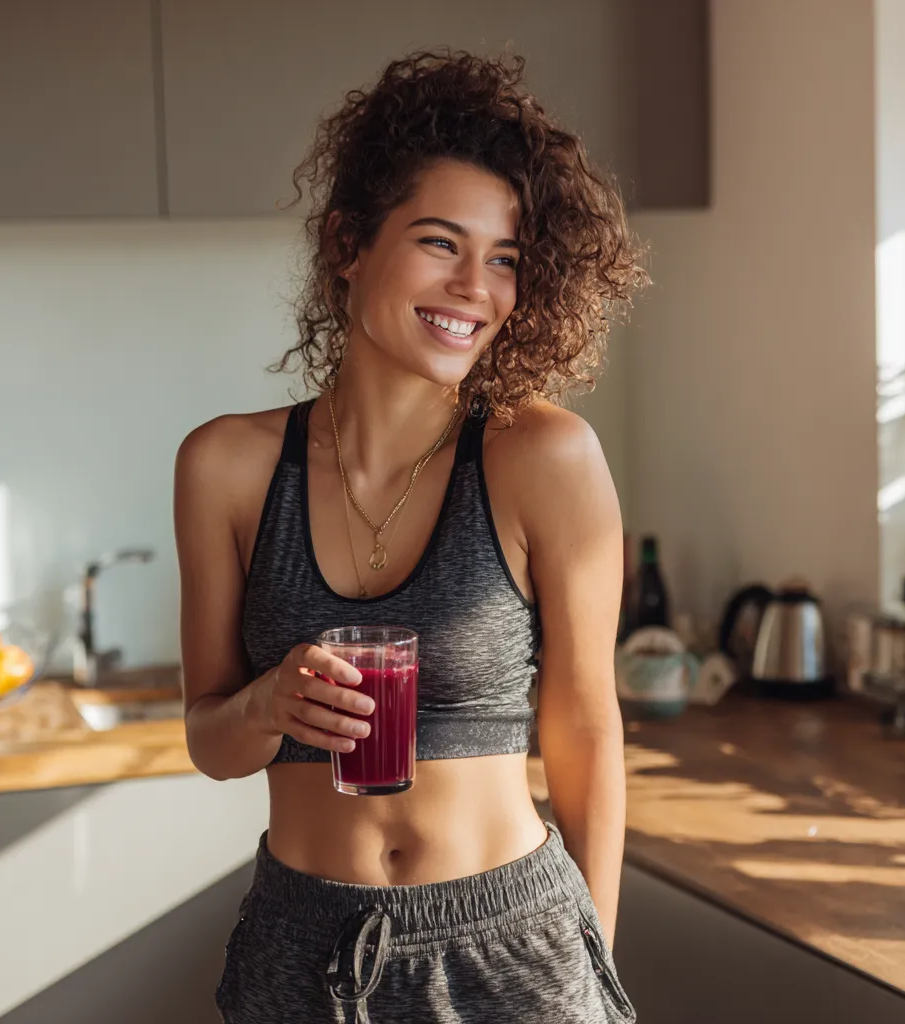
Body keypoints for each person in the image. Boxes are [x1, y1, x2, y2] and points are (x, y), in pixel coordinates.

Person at [173, 48, 648, 1024]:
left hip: (512, 948)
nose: (475, 284)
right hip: (301, 953)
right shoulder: (225, 466)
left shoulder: (541, 457)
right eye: (440, 242)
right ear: (348, 242)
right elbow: (212, 740)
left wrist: (590, 968)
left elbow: (588, 731)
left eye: (506, 256)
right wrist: (269, 701)